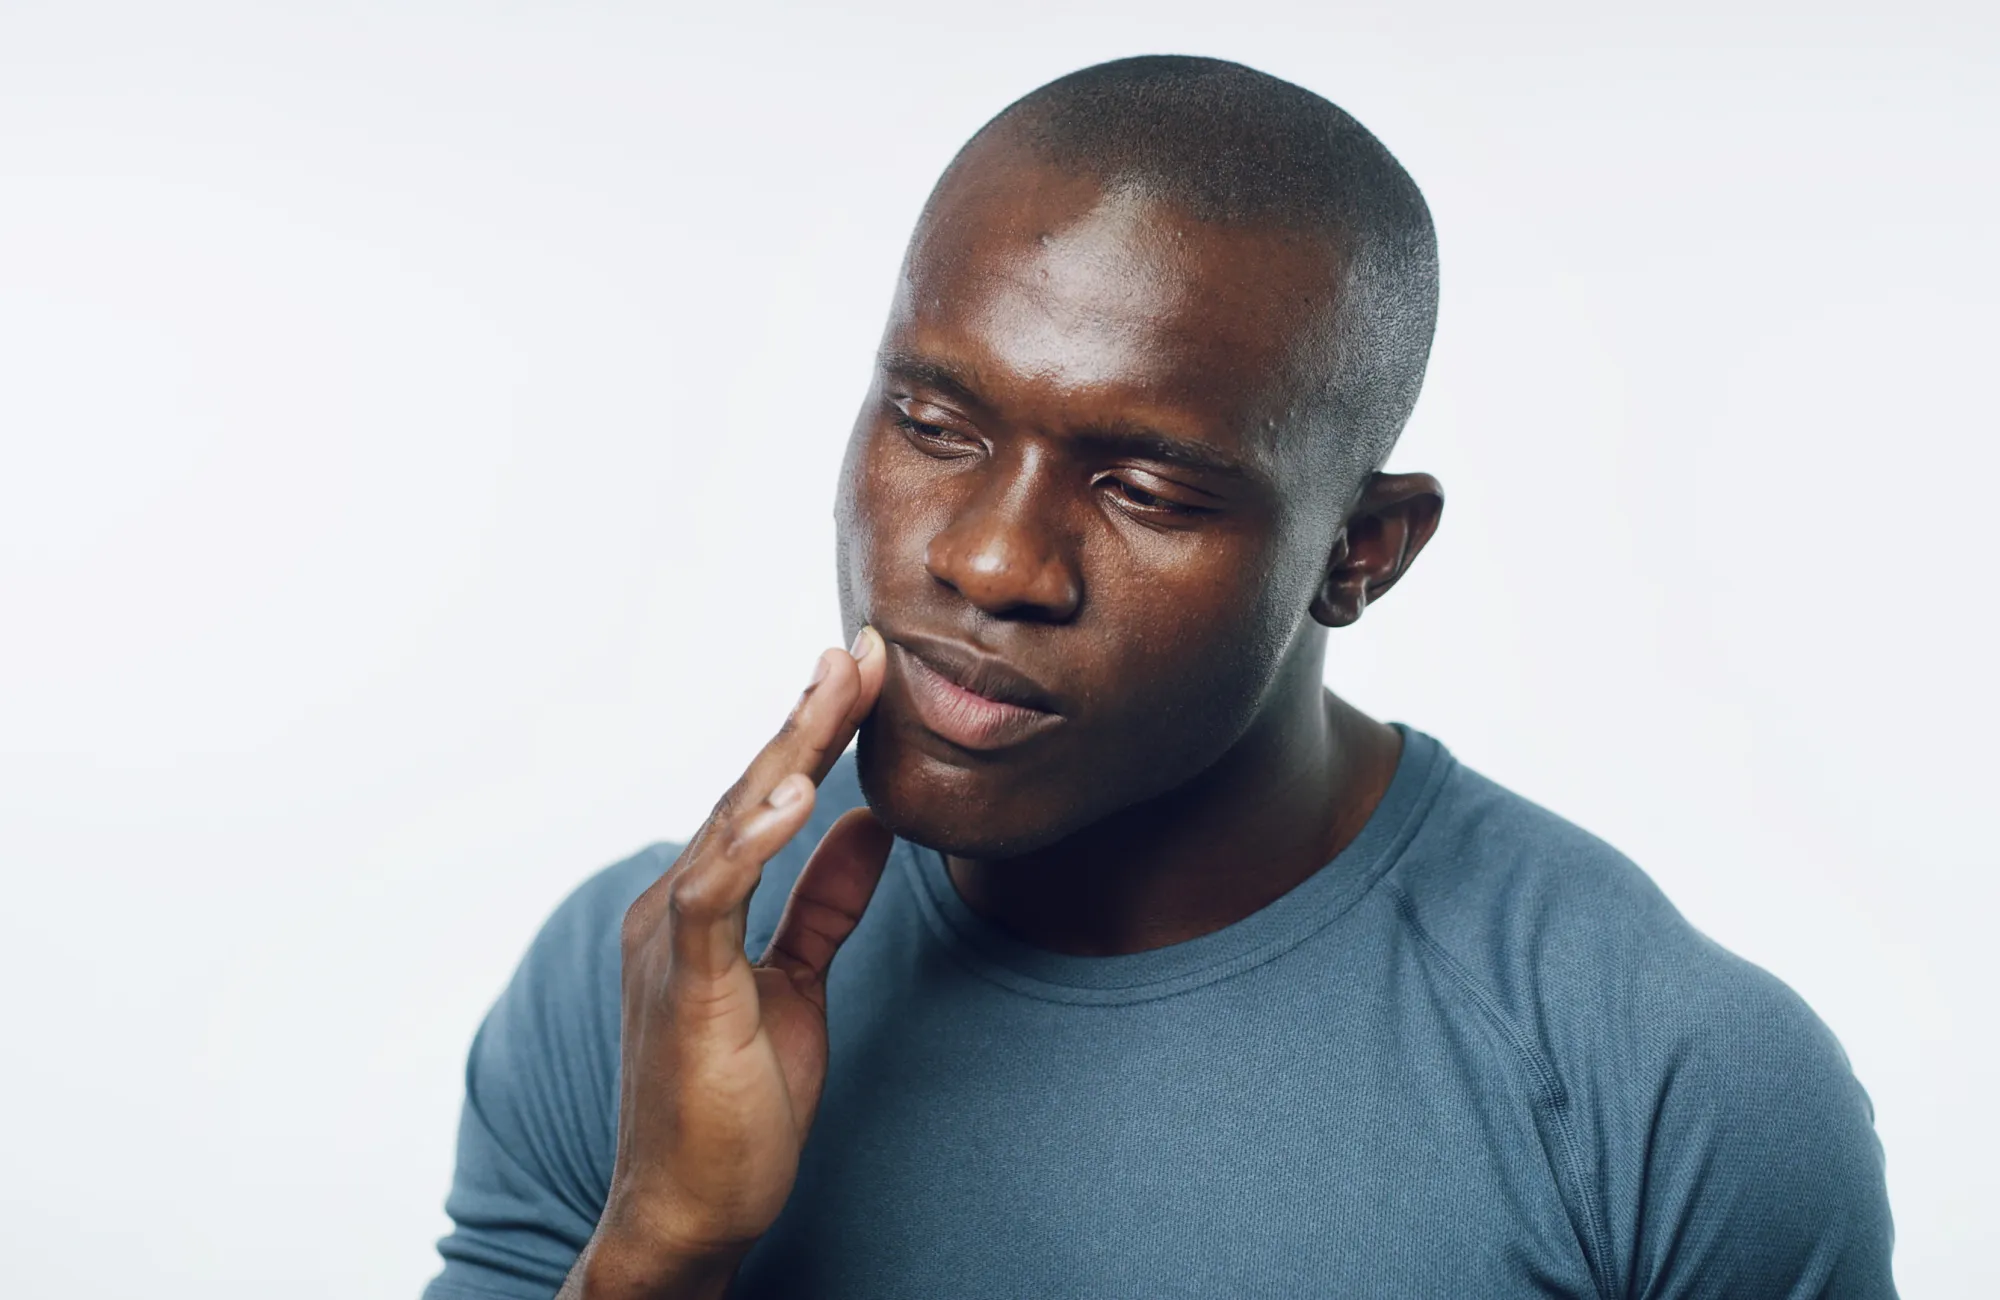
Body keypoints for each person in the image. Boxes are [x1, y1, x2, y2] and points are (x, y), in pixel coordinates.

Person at [422, 56, 1896, 1300]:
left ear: (1360, 552)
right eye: (935, 424)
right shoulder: (650, 988)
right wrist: (659, 1249)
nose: (993, 562)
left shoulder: (1664, 1087)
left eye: (1145, 490)